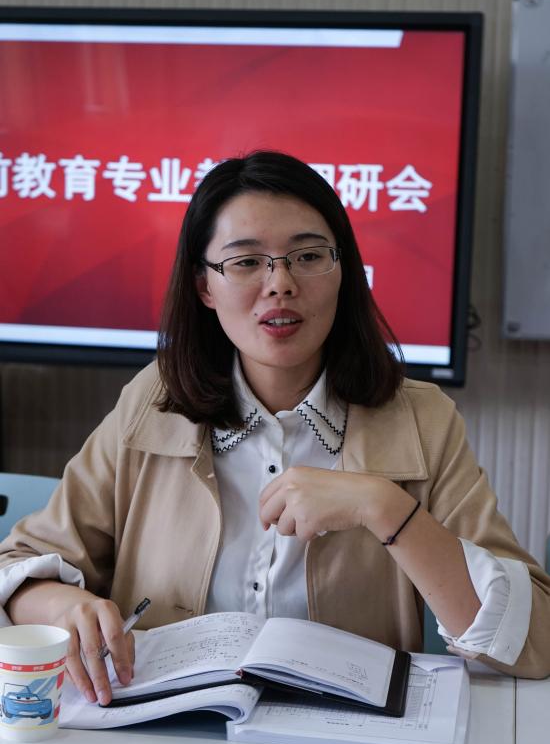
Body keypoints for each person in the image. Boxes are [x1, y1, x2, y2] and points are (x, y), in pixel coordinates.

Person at [1, 151, 549, 708]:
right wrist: (63, 608)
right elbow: (17, 568)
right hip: (168, 735)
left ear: (343, 272)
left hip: (341, 740)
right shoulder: (154, 401)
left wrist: (384, 508)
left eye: (308, 256)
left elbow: (533, 639)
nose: (280, 284)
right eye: (245, 262)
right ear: (204, 286)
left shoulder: (421, 419)